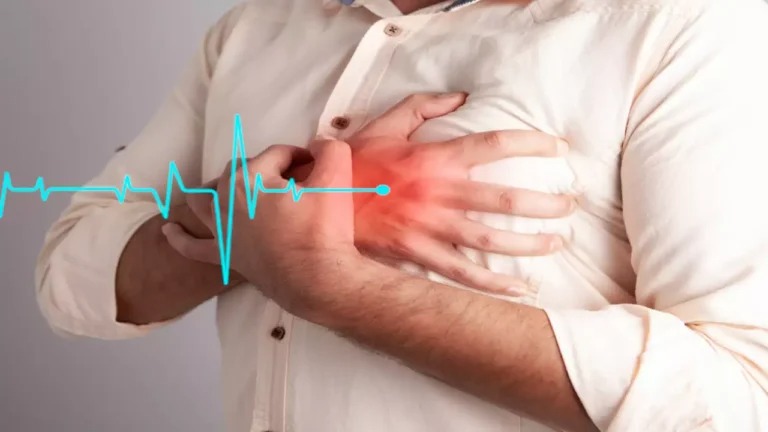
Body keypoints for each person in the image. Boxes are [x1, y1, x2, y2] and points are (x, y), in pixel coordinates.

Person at [35, 0, 768, 431]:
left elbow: (741, 394)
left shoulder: (679, 23)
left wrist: (327, 280)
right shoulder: (256, 27)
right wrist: (264, 221)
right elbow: (75, 281)